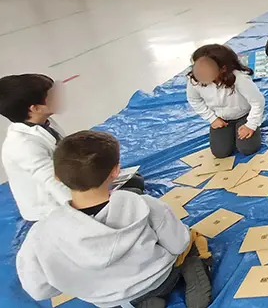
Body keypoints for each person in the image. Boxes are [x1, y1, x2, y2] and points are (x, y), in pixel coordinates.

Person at [16, 131, 212, 308]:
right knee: (190, 240)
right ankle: (192, 268)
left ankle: (146, 302)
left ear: (56, 176)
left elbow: (39, 289)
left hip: (115, 299)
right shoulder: (144, 205)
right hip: (160, 278)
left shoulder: (41, 235)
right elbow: (178, 244)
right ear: (116, 172)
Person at [0, 74, 71, 222]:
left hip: (68, 182)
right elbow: (52, 183)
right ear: (35, 108)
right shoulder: (23, 145)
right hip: (49, 208)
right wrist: (89, 205)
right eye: (52, 96)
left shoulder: (44, 122)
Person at [186, 44, 265, 158]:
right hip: (221, 119)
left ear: (223, 68)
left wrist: (251, 125)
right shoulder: (194, 80)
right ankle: (230, 133)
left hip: (243, 115)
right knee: (220, 153)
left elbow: (258, 101)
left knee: (247, 148)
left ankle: (252, 128)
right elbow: (194, 100)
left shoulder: (239, 78)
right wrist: (212, 119)